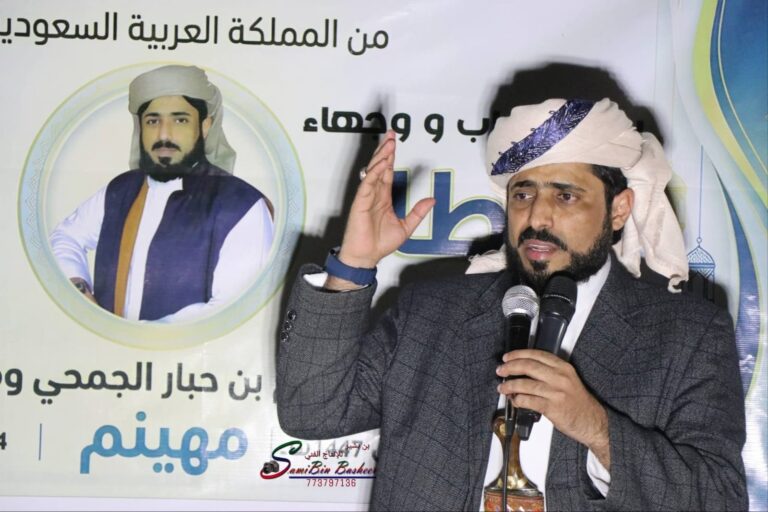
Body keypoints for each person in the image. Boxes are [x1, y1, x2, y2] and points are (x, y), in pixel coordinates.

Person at [276, 98, 747, 510]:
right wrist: (354, 264)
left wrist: (596, 428)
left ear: (619, 209)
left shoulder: (685, 333)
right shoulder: (431, 314)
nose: (537, 216)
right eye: (523, 194)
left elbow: (719, 499)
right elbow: (312, 411)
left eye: (565, 195)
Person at [50, 65, 274, 323]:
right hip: (105, 348)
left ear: (205, 126)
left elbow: (231, 310)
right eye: (153, 121)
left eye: (180, 120)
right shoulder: (120, 190)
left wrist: (135, 338)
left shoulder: (242, 206)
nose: (164, 135)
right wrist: (79, 289)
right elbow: (65, 237)